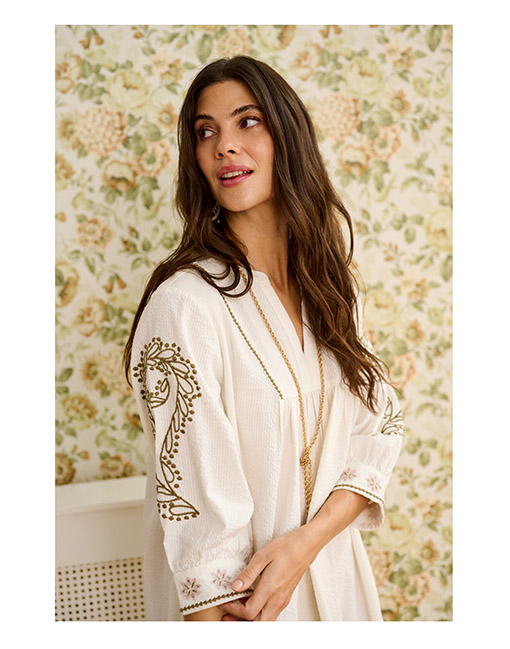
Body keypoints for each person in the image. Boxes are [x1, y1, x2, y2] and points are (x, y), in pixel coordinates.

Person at [123, 56, 404, 622]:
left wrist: (305, 544)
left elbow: (379, 429)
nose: (224, 145)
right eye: (206, 132)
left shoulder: (331, 287)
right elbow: (198, 522)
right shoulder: (185, 305)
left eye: (247, 121)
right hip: (245, 609)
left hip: (336, 580)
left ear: (287, 136)